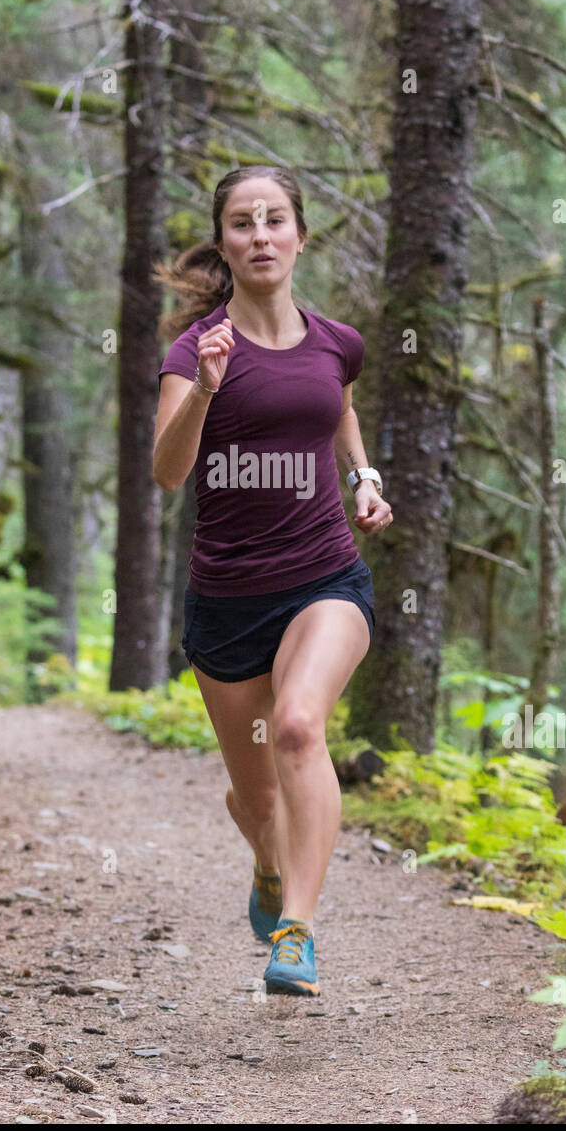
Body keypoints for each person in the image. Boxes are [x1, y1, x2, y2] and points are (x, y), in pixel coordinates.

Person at [152, 165, 393, 996]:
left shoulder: (338, 341)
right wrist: (207, 391)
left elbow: (339, 408)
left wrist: (365, 476)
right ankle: (265, 860)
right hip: (225, 601)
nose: (261, 236)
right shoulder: (197, 350)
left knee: (298, 729)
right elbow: (166, 471)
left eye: (276, 220)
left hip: (325, 576)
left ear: (299, 234)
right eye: (244, 223)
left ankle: (297, 933)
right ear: (224, 241)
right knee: (258, 806)